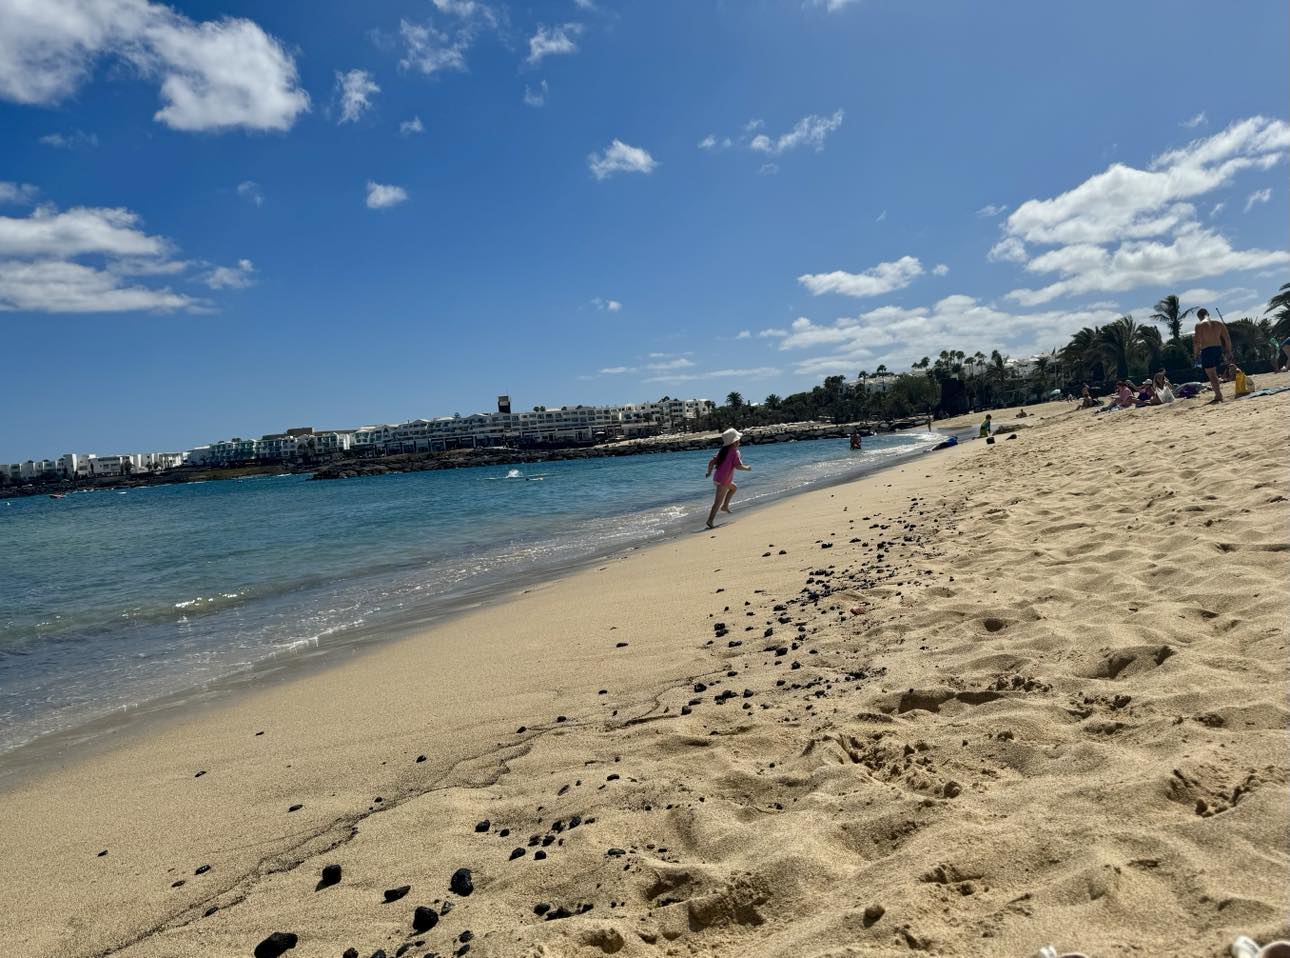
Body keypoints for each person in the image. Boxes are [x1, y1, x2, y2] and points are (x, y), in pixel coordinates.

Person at [704, 428, 751, 529]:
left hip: (720, 478)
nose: (740, 441)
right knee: (717, 502)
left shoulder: (722, 451)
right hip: (723, 480)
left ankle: (725, 506)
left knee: (734, 488)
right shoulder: (735, 452)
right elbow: (738, 466)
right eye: (738, 439)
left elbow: (711, 462)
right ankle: (710, 520)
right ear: (735, 441)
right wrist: (747, 468)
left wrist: (709, 472)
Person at [1192, 307, 1233, 402]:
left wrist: (1196, 354)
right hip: (1218, 349)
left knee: (1211, 374)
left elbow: (1197, 342)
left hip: (1207, 349)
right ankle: (1218, 393)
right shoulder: (1219, 323)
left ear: (1199, 316)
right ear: (1208, 314)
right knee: (1214, 373)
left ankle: (1218, 395)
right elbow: (1227, 338)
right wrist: (1229, 351)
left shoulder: (1199, 325)